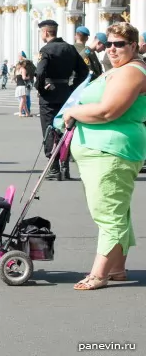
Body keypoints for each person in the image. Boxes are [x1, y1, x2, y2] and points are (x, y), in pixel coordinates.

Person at [62, 22, 146, 291]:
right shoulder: (119, 69)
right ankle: (118, 268)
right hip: (101, 150)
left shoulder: (132, 71)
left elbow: (109, 112)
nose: (112, 49)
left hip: (112, 151)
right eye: (109, 43)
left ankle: (99, 274)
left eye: (119, 44)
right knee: (116, 209)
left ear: (133, 46)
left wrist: (74, 113)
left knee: (108, 212)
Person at [35, 19, 89, 180]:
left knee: (49, 129)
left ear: (45, 32)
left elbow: (39, 72)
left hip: (49, 96)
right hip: (67, 95)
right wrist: (73, 88)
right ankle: (65, 166)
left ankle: (54, 168)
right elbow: (84, 71)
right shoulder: (70, 49)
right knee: (66, 129)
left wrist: (40, 87)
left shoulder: (46, 50)